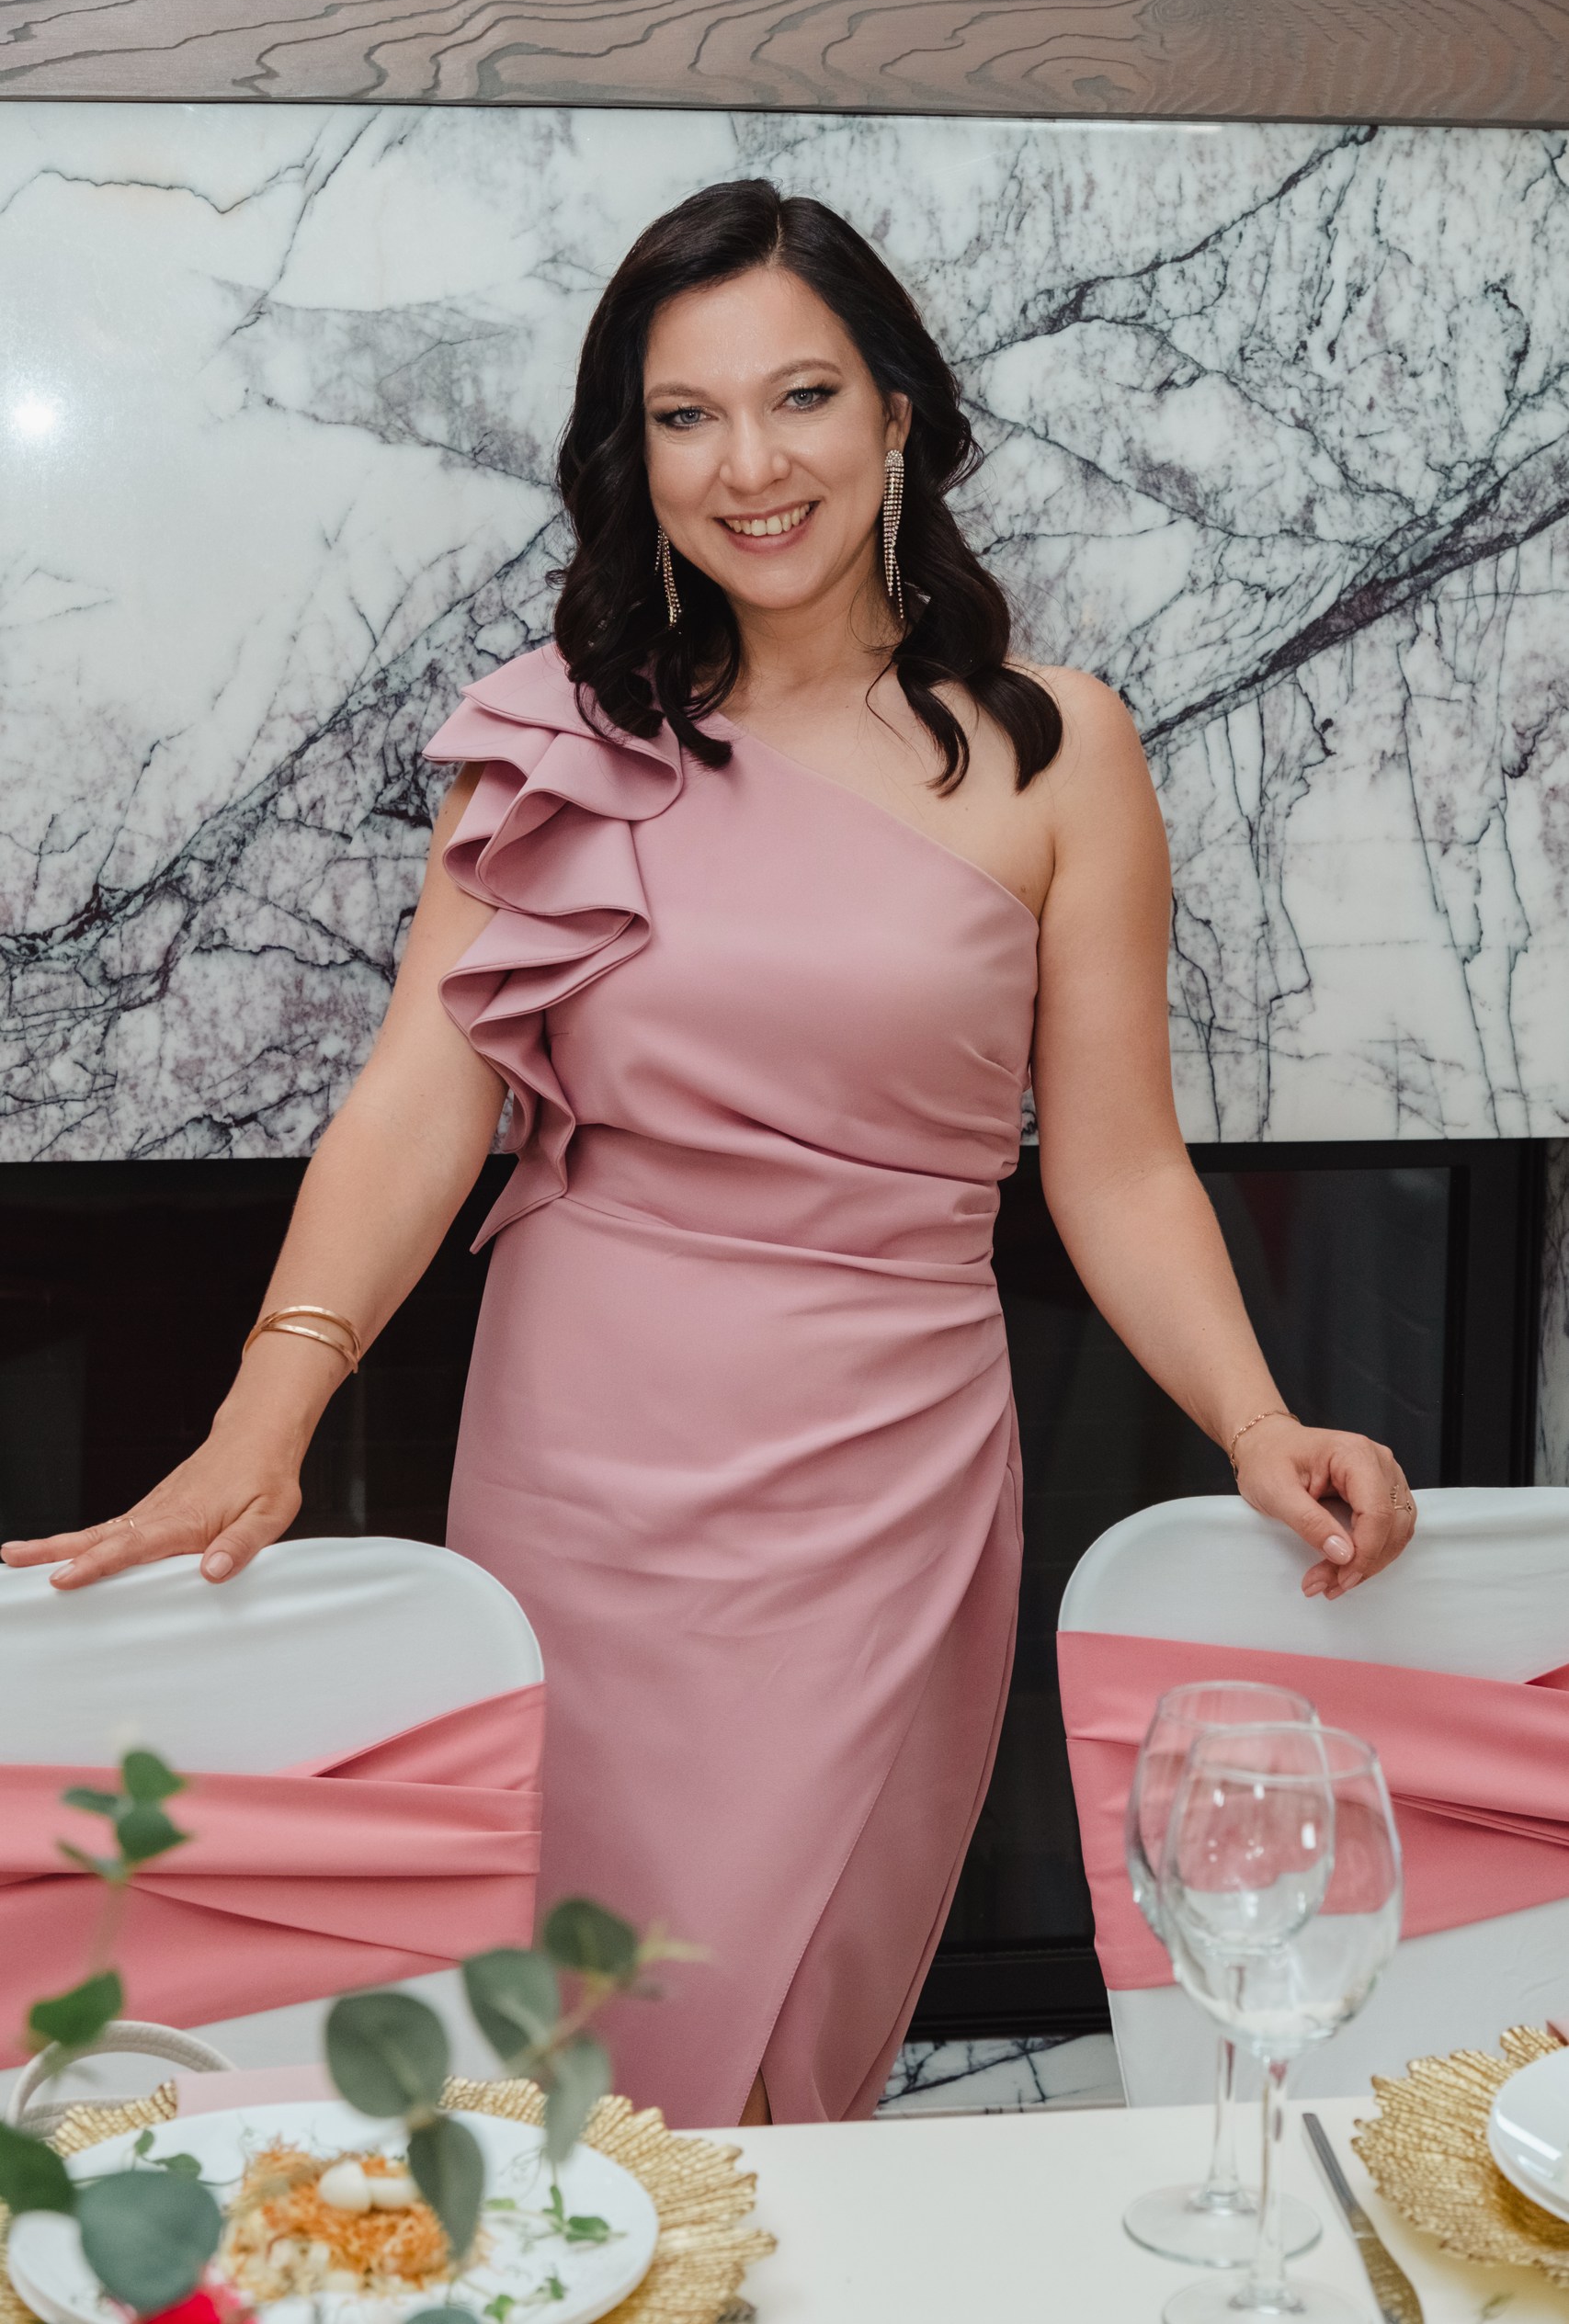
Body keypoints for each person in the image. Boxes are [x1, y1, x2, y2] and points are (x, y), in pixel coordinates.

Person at [2, 181, 1416, 2129]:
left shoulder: (1060, 751)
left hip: (885, 1480)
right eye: (687, 416)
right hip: (578, 1461)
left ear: (897, 416)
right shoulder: (551, 740)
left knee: (785, 2050)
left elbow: (1115, 1167)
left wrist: (1255, 1422)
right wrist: (268, 1412)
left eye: (802, 397)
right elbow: (420, 1095)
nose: (750, 466)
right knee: (568, 2061)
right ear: (634, 452)